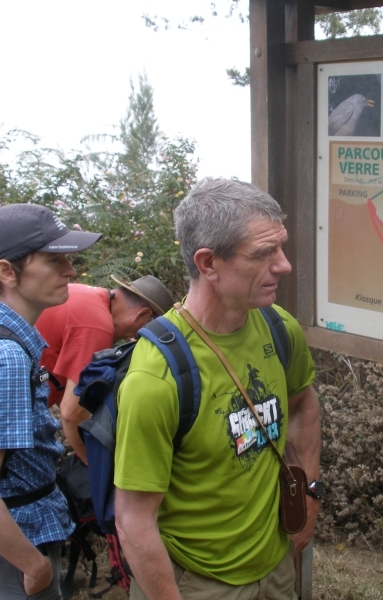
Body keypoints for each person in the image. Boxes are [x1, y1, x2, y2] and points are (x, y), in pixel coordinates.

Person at [114, 178, 322, 600]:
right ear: (208, 263)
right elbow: (134, 521)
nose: (284, 265)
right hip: (197, 581)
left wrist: (309, 493)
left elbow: (303, 404)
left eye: (280, 248)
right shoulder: (156, 379)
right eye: (264, 253)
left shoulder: (279, 327)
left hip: (278, 562)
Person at [0, 203, 101, 599]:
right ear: (6, 272)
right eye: (54, 260)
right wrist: (33, 566)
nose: (70, 270)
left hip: (6, 548)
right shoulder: (5, 358)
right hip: (8, 559)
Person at [36, 275, 175, 464]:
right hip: (8, 417)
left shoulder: (88, 296)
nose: (134, 339)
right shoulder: (98, 325)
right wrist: (92, 464)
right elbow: (71, 413)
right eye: (142, 331)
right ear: (142, 314)